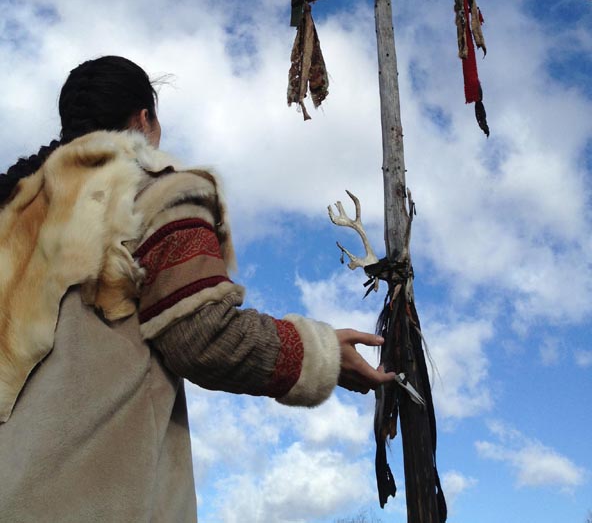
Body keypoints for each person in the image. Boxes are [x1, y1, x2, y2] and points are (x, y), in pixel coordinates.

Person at [0, 56, 395, 522]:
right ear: (144, 119)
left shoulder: (17, 218)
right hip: (96, 500)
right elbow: (202, 334)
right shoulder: (150, 191)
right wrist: (322, 353)